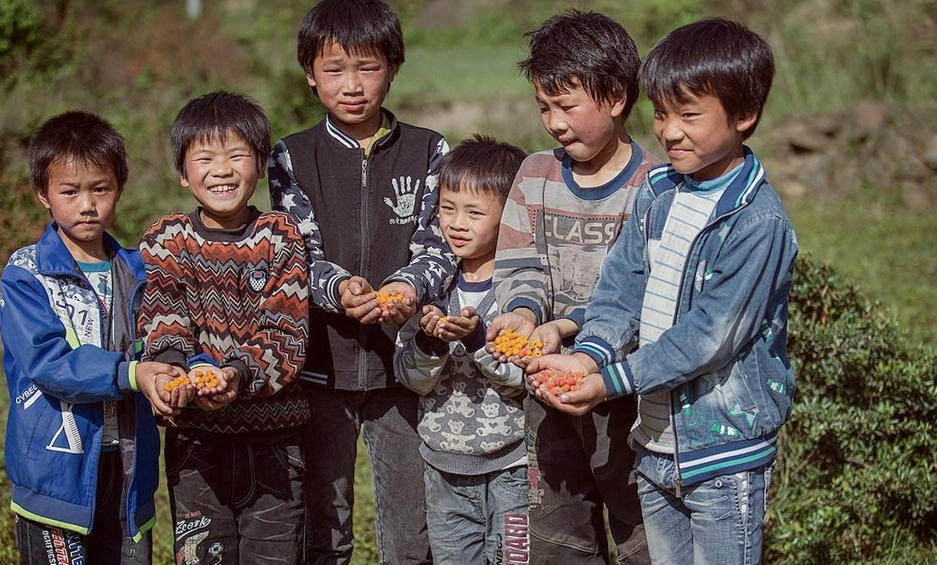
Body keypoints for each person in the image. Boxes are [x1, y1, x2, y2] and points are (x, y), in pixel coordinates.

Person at [528, 18, 798, 565]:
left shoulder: (756, 222)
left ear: (744, 115)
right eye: (662, 114)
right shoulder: (658, 193)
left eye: (689, 115)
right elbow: (620, 290)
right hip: (652, 441)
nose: (670, 132)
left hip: (723, 453)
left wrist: (608, 383)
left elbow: (707, 340)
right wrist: (587, 355)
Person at [269, 0, 456, 562]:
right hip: (321, 367)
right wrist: (340, 290)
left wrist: (405, 288)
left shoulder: (429, 149)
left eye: (368, 67)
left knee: (408, 521)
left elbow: (441, 243)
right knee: (324, 518)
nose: (352, 85)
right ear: (309, 74)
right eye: (334, 69)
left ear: (393, 68)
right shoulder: (292, 156)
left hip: (401, 369)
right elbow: (296, 249)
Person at [486, 10, 658, 564]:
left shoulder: (654, 187)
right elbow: (521, 264)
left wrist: (570, 332)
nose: (554, 122)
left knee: (640, 537)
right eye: (544, 107)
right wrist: (521, 314)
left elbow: (641, 295)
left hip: (628, 397)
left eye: (567, 105)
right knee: (558, 537)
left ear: (615, 98)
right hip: (546, 393)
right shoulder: (535, 174)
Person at [138, 91, 310, 565]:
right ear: (182, 171)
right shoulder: (167, 239)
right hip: (196, 443)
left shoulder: (280, 236)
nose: (222, 170)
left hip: (273, 443)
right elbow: (162, 317)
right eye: (205, 158)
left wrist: (235, 374)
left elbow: (285, 331)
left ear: (259, 165)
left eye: (237, 156)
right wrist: (173, 371)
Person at [1, 111, 179, 564]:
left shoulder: (141, 270)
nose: (87, 204)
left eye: (100, 189)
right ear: (43, 193)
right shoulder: (25, 274)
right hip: (56, 473)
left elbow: (167, 340)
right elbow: (49, 363)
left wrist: (182, 372)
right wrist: (134, 373)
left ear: (119, 186)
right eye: (70, 191)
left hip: (129, 469)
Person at [394, 136, 529, 564]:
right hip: (443, 469)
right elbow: (411, 379)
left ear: (508, 216)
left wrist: (476, 340)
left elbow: (520, 379)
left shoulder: (521, 290)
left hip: (513, 468)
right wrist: (430, 342)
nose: (457, 223)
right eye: (448, 208)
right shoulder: (430, 285)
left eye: (474, 212)